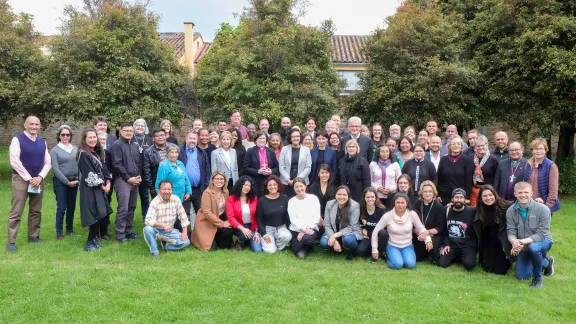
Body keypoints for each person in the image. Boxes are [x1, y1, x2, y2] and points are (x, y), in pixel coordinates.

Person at [7, 116, 52, 252]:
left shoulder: (41, 142)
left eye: (36, 124)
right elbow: (14, 161)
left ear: (39, 126)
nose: (34, 126)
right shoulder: (17, 140)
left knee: (35, 210)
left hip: (37, 181)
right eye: (31, 124)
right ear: (25, 125)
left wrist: (39, 177)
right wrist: (28, 178)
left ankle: (34, 236)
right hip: (21, 180)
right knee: (16, 211)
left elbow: (48, 161)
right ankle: (11, 241)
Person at [507, 182, 555, 288]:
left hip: (543, 241)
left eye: (526, 192)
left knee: (534, 248)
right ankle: (546, 262)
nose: (523, 195)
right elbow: (511, 231)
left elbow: (542, 234)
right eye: (520, 192)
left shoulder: (543, 209)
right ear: (515, 194)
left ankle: (537, 280)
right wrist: (514, 242)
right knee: (522, 276)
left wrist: (521, 242)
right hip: (523, 245)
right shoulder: (510, 211)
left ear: (531, 193)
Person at [371, 193, 432, 270]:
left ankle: (397, 257)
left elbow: (421, 228)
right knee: (398, 265)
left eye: (402, 203)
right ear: (394, 203)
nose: (400, 205)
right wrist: (374, 250)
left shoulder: (412, 214)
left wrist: (428, 240)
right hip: (392, 245)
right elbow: (375, 231)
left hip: (407, 245)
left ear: (406, 203)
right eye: (398, 202)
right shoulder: (387, 215)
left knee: (410, 265)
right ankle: (388, 255)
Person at [77, 128, 113, 251]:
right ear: (85, 139)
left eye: (94, 137)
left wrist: (108, 182)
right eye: (90, 137)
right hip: (89, 188)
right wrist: (102, 185)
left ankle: (93, 240)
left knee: (101, 213)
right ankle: (89, 243)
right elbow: (89, 173)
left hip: (99, 187)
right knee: (93, 214)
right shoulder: (83, 154)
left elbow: (104, 169)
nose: (92, 140)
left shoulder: (97, 152)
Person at [111, 123, 142, 242]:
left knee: (132, 207)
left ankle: (129, 231)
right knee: (123, 208)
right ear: (121, 131)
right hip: (123, 180)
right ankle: (120, 234)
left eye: (131, 131)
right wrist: (128, 178)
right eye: (126, 130)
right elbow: (117, 164)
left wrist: (138, 176)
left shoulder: (134, 145)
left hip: (135, 181)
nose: (129, 133)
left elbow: (137, 163)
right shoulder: (117, 145)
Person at [143, 180, 191, 257]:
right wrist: (162, 225)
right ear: (159, 190)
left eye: (169, 189)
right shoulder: (155, 201)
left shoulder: (176, 199)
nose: (167, 191)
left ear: (172, 190)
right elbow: (148, 220)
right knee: (147, 229)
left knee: (186, 242)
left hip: (169, 230)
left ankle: (166, 246)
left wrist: (184, 232)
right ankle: (154, 252)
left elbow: (183, 218)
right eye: (164, 189)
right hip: (155, 229)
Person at [473, 185, 513, 275]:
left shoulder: (505, 206)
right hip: (488, 242)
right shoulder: (479, 209)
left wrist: (536, 201)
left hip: (502, 242)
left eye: (490, 195)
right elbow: (465, 209)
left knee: (500, 271)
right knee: (487, 269)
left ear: (495, 195)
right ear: (481, 198)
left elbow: (520, 204)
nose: (488, 198)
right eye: (485, 196)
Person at [191, 171, 235, 251]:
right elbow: (207, 213)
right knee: (211, 249)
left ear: (225, 181)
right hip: (206, 222)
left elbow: (228, 208)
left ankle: (217, 238)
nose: (219, 181)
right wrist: (222, 223)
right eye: (217, 179)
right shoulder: (207, 193)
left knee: (227, 239)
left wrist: (229, 220)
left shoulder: (226, 192)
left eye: (222, 179)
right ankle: (195, 236)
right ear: (213, 180)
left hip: (219, 219)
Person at [438, 188, 478, 270]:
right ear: (452, 199)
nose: (458, 200)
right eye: (456, 197)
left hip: (467, 244)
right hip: (453, 244)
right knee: (442, 263)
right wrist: (446, 244)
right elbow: (445, 230)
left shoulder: (472, 211)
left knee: (469, 265)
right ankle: (457, 256)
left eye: (461, 197)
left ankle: (464, 256)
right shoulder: (447, 210)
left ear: (465, 199)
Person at [50, 125, 79, 240]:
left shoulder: (75, 149)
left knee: (71, 207)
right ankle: (59, 233)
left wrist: (77, 178)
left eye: (68, 134)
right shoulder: (55, 150)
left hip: (74, 181)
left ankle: (70, 230)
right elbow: (56, 169)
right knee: (62, 207)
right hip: (61, 182)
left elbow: (79, 164)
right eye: (63, 134)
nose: (66, 136)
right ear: (59, 136)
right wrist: (67, 182)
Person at [321, 186, 363, 260]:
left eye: (344, 195)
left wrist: (334, 236)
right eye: (339, 194)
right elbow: (327, 225)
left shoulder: (355, 206)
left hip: (350, 231)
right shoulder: (329, 204)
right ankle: (337, 248)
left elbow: (351, 227)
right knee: (323, 243)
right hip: (334, 230)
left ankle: (352, 250)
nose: (341, 197)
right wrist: (335, 241)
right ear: (335, 195)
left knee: (348, 240)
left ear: (348, 196)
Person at [178, 130, 210, 227]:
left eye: (194, 139)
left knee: (201, 212)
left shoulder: (201, 152)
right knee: (183, 213)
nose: (192, 140)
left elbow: (207, 171)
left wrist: (205, 187)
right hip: (184, 189)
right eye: (190, 138)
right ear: (186, 139)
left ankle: (200, 235)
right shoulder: (179, 151)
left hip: (198, 189)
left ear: (197, 140)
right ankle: (182, 235)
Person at [256, 175, 292, 253]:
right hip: (268, 229)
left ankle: (277, 245)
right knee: (270, 251)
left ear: (278, 186)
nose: (272, 187)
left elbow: (288, 216)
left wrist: (291, 229)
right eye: (270, 185)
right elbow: (259, 218)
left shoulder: (284, 198)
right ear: (267, 187)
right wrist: (264, 234)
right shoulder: (262, 200)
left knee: (287, 236)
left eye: (275, 184)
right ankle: (273, 245)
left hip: (281, 227)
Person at [523, 138, 560, 213]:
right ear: (532, 150)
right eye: (536, 149)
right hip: (528, 203)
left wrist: (547, 206)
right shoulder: (528, 164)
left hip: (543, 204)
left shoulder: (551, 166)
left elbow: (553, 190)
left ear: (545, 150)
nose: (538, 151)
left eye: (541, 149)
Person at [412, 181, 445, 263]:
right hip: (419, 233)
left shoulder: (439, 206)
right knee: (417, 258)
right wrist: (421, 234)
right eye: (425, 191)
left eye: (430, 191)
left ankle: (434, 252)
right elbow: (412, 223)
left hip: (434, 234)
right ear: (421, 193)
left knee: (435, 260)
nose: (427, 194)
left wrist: (427, 234)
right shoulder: (417, 204)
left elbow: (440, 228)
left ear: (433, 192)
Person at [287, 178, 321, 258]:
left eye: (301, 186)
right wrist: (302, 229)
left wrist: (305, 230)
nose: (299, 189)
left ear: (305, 186)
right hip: (296, 230)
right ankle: (307, 247)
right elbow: (293, 219)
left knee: (307, 239)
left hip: (311, 229)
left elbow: (316, 217)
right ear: (294, 188)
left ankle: (308, 244)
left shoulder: (313, 198)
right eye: (296, 187)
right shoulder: (291, 201)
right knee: (297, 252)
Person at [226, 176, 262, 252]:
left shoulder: (254, 198)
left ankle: (246, 239)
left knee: (257, 250)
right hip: (238, 226)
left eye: (249, 186)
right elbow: (230, 217)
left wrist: (256, 232)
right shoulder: (231, 199)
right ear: (240, 185)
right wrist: (242, 229)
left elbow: (257, 216)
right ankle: (239, 241)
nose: (247, 187)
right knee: (245, 235)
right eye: (245, 185)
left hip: (251, 226)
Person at [436, 136, 474, 206]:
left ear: (461, 146)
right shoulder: (443, 160)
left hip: (460, 197)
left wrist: (467, 197)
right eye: (453, 144)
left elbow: (469, 180)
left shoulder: (467, 160)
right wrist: (438, 194)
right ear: (449, 146)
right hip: (444, 196)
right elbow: (439, 178)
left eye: (458, 144)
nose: (456, 146)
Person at [155, 146, 192, 210]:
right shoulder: (164, 166)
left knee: (183, 217)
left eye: (176, 152)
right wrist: (162, 199)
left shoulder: (180, 164)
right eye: (171, 152)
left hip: (183, 197)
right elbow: (159, 184)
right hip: (170, 198)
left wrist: (188, 191)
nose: (174, 155)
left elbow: (186, 178)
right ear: (167, 153)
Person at [243, 131, 279, 197]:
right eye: (260, 138)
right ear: (256, 140)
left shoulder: (271, 151)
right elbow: (245, 168)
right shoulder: (250, 151)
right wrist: (258, 171)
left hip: (269, 182)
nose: (262, 140)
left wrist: (271, 171)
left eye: (264, 138)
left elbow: (276, 167)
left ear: (266, 140)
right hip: (256, 182)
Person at [279, 128, 312, 198]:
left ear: (300, 137)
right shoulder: (284, 149)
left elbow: (308, 167)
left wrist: (297, 180)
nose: (295, 138)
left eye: (297, 136)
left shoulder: (306, 150)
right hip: (286, 183)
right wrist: (288, 180)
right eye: (293, 137)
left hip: (302, 183)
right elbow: (281, 167)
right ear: (290, 138)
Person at [355, 188, 386, 259]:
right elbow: (359, 224)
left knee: (383, 233)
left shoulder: (382, 210)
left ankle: (381, 252)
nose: (370, 199)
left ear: (376, 198)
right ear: (364, 198)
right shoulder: (361, 209)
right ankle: (372, 250)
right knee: (361, 252)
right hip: (367, 237)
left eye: (372, 197)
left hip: (379, 236)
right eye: (368, 197)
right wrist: (362, 230)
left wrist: (368, 233)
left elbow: (384, 230)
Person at [469, 135, 499, 206]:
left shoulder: (493, 159)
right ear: (475, 147)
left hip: (488, 192)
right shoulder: (470, 158)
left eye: (483, 145)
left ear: (487, 145)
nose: (480, 147)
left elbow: (497, 177)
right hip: (474, 192)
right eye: (478, 146)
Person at [143, 128, 171, 199]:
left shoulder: (173, 148)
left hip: (173, 182)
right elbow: (146, 171)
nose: (160, 137)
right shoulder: (148, 152)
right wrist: (151, 187)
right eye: (158, 136)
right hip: (157, 184)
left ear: (166, 136)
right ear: (153, 138)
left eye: (162, 135)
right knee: (159, 208)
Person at [133, 118, 153, 219]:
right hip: (133, 174)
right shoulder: (130, 138)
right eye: (138, 125)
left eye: (142, 126)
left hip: (145, 173)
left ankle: (146, 217)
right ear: (134, 127)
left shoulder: (149, 140)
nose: (140, 127)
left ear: (145, 128)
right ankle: (129, 218)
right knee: (131, 198)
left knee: (145, 196)